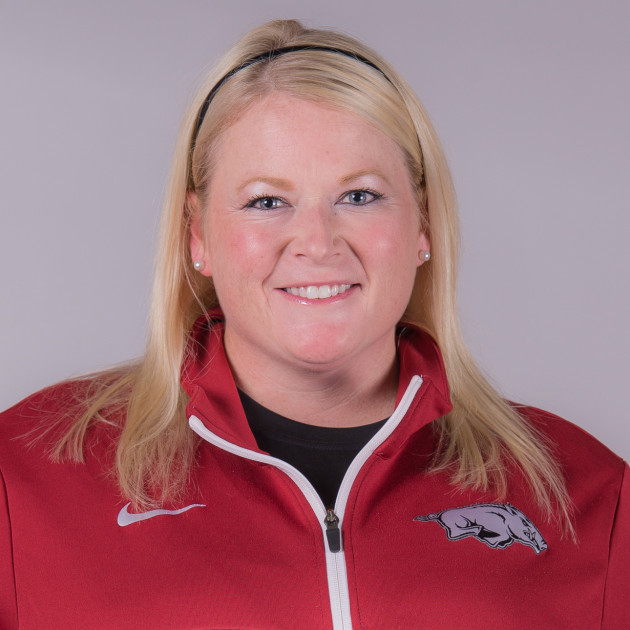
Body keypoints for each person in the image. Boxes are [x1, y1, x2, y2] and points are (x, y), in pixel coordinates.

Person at [0, 19, 627, 629]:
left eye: (359, 196)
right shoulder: (24, 478)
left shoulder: (588, 496)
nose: (318, 243)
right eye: (267, 201)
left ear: (423, 224)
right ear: (198, 235)